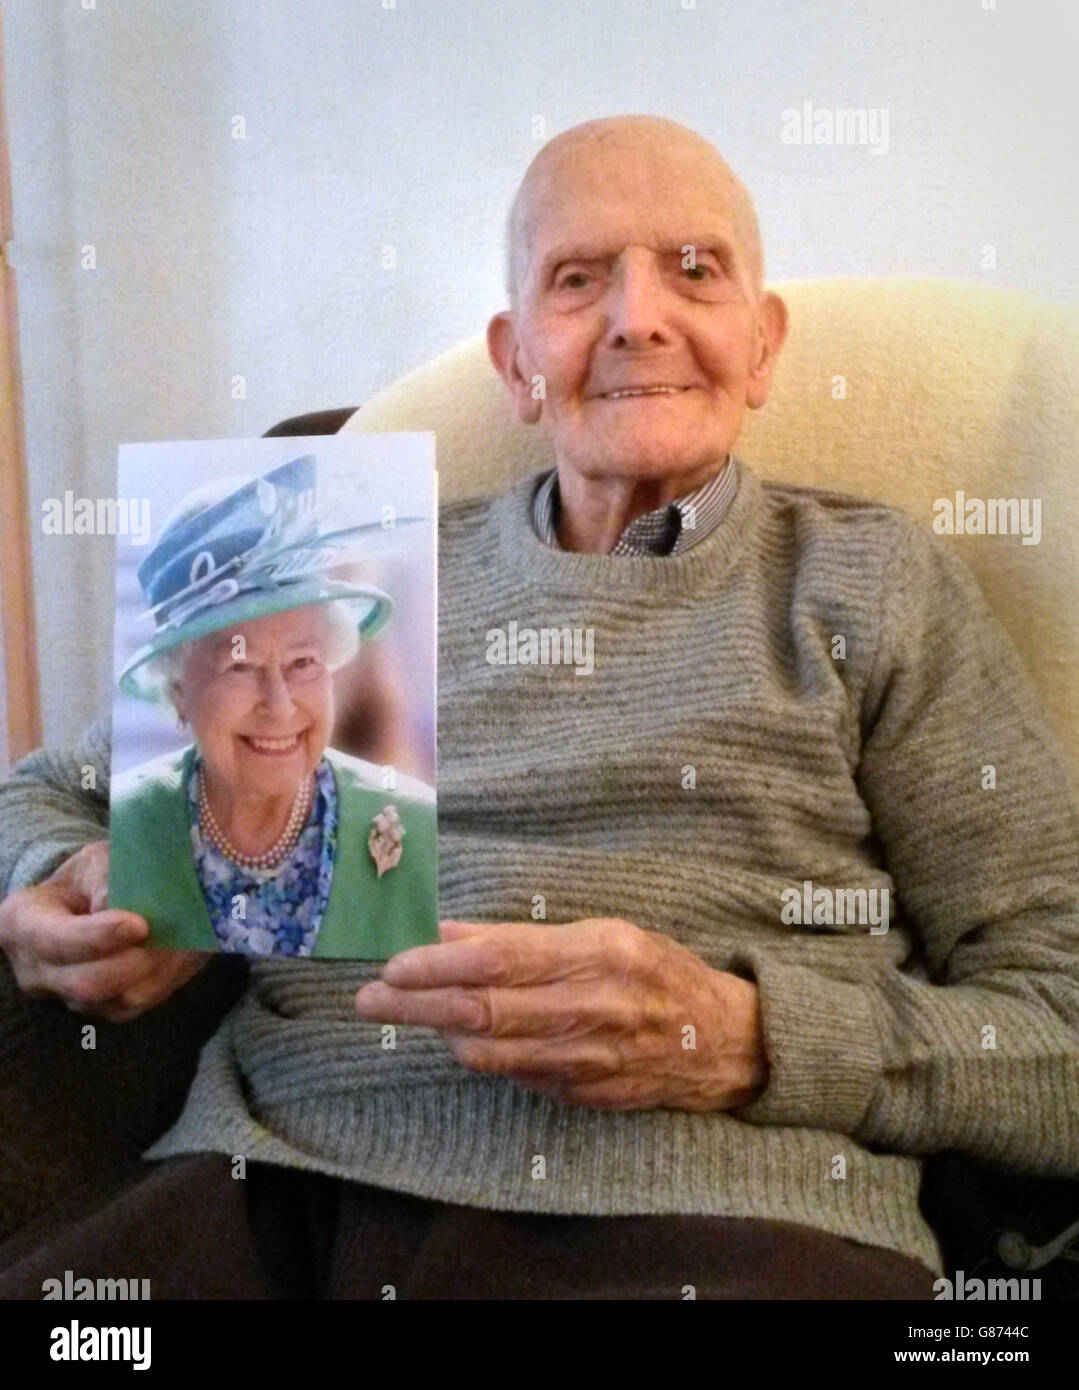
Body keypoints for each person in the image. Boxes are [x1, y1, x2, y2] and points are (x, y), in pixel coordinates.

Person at [0, 114, 1076, 1300]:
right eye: (578, 279)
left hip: (716, 1215)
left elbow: (1055, 1024)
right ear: (516, 360)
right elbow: (46, 790)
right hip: (274, 1186)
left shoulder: (868, 582)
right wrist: (56, 880)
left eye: (694, 270)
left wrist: (742, 1039)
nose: (636, 317)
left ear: (762, 348)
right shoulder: (356, 566)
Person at [108, 453, 438, 963]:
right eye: (239, 667)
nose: (280, 707)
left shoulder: (414, 826)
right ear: (177, 692)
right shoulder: (128, 828)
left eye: (304, 661)